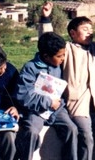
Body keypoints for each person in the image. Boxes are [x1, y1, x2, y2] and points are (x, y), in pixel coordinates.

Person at [37, 2, 95, 160]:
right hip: (78, 105)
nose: (89, 33)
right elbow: (48, 40)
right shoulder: (67, 49)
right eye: (85, 29)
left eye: (91, 30)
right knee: (86, 136)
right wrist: (45, 18)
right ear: (72, 33)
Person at [14, 32, 79, 160]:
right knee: (31, 132)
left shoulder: (60, 66)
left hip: (57, 110)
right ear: (46, 56)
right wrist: (48, 102)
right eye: (60, 56)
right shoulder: (30, 68)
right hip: (36, 111)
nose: (63, 59)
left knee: (71, 129)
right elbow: (24, 95)